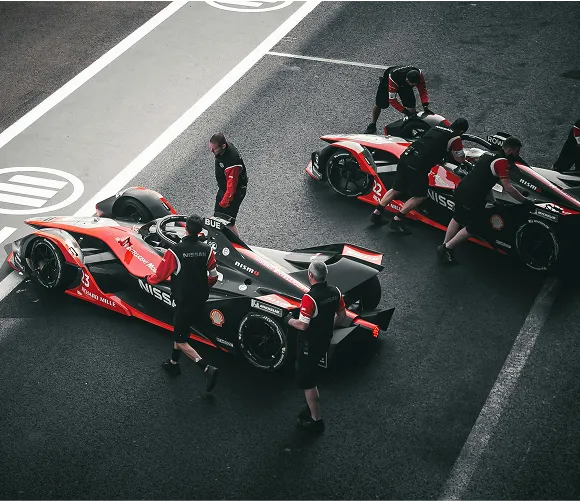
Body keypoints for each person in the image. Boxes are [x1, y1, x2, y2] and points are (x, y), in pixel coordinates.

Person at [145, 214, 219, 392]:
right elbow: (214, 277)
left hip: (184, 300)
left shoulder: (174, 251)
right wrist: (204, 286)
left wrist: (148, 279)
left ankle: (207, 369)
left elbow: (160, 275)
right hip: (201, 298)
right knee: (180, 329)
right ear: (200, 230)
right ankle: (173, 363)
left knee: (180, 337)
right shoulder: (207, 250)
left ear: (186, 228)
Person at [437, 136, 533, 264]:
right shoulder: (502, 162)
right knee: (475, 226)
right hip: (472, 196)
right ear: (509, 150)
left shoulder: (489, 154)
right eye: (517, 152)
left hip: (462, 188)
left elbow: (484, 180)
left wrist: (493, 202)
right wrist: (525, 201)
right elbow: (508, 187)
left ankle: (444, 246)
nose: (518, 155)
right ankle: (446, 248)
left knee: (457, 218)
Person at [369, 118, 470, 234]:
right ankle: (397, 220)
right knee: (420, 196)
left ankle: (376, 214)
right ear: (462, 131)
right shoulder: (455, 138)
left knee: (396, 189)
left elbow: (431, 144)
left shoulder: (436, 127)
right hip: (418, 165)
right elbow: (460, 158)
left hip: (406, 156)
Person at [285, 260, 346, 433]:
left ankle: (316, 420)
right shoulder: (336, 292)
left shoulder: (309, 298)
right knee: (312, 373)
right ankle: (311, 408)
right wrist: (328, 327)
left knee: (308, 381)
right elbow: (342, 315)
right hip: (324, 341)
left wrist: (288, 320)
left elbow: (303, 325)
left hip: (308, 344)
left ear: (310, 275)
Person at [365, 65, 432, 134]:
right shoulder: (394, 77)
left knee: (411, 107)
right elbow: (392, 100)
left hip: (405, 84)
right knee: (380, 104)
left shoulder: (419, 75)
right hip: (388, 81)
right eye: (412, 85)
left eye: (414, 85)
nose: (413, 87)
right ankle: (372, 124)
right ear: (407, 79)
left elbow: (422, 90)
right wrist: (405, 111)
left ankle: (407, 129)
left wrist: (425, 105)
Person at [210, 133, 249, 237]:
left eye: (214, 149)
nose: (212, 151)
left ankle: (237, 245)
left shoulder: (232, 162)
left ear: (223, 146)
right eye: (211, 148)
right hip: (224, 188)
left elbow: (232, 188)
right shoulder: (222, 150)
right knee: (217, 218)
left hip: (235, 191)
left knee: (228, 221)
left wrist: (225, 201)